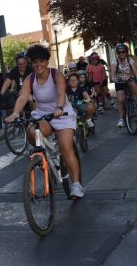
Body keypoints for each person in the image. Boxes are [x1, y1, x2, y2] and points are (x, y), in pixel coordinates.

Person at [5, 44, 84, 199]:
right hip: (42, 114)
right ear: (31, 63)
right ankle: (49, 157)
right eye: (34, 62)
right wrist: (15, 113)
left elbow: (61, 93)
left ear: (47, 61)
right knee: (32, 132)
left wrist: (59, 107)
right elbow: (22, 97)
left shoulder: (56, 75)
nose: (38, 64)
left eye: (41, 61)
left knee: (66, 149)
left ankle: (76, 185)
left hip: (62, 114)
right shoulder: (30, 78)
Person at [110, 44, 137, 129]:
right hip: (119, 81)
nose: (121, 54)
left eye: (123, 52)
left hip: (130, 79)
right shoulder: (115, 61)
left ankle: (135, 105)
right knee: (120, 100)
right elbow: (113, 71)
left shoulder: (130, 60)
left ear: (126, 52)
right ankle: (121, 119)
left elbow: (135, 70)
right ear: (117, 53)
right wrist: (113, 78)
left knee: (134, 91)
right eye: (119, 52)